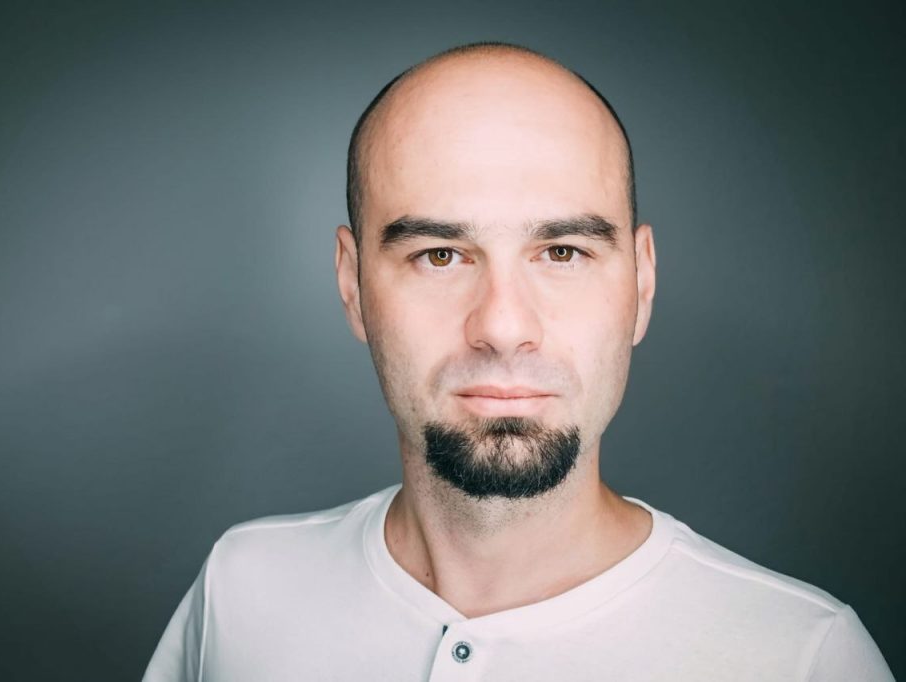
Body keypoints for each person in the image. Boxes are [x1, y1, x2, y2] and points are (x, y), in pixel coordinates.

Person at [143, 42, 894, 681]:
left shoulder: (803, 658)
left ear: (641, 284)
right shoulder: (241, 590)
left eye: (562, 252)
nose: (503, 327)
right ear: (352, 285)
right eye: (440, 255)